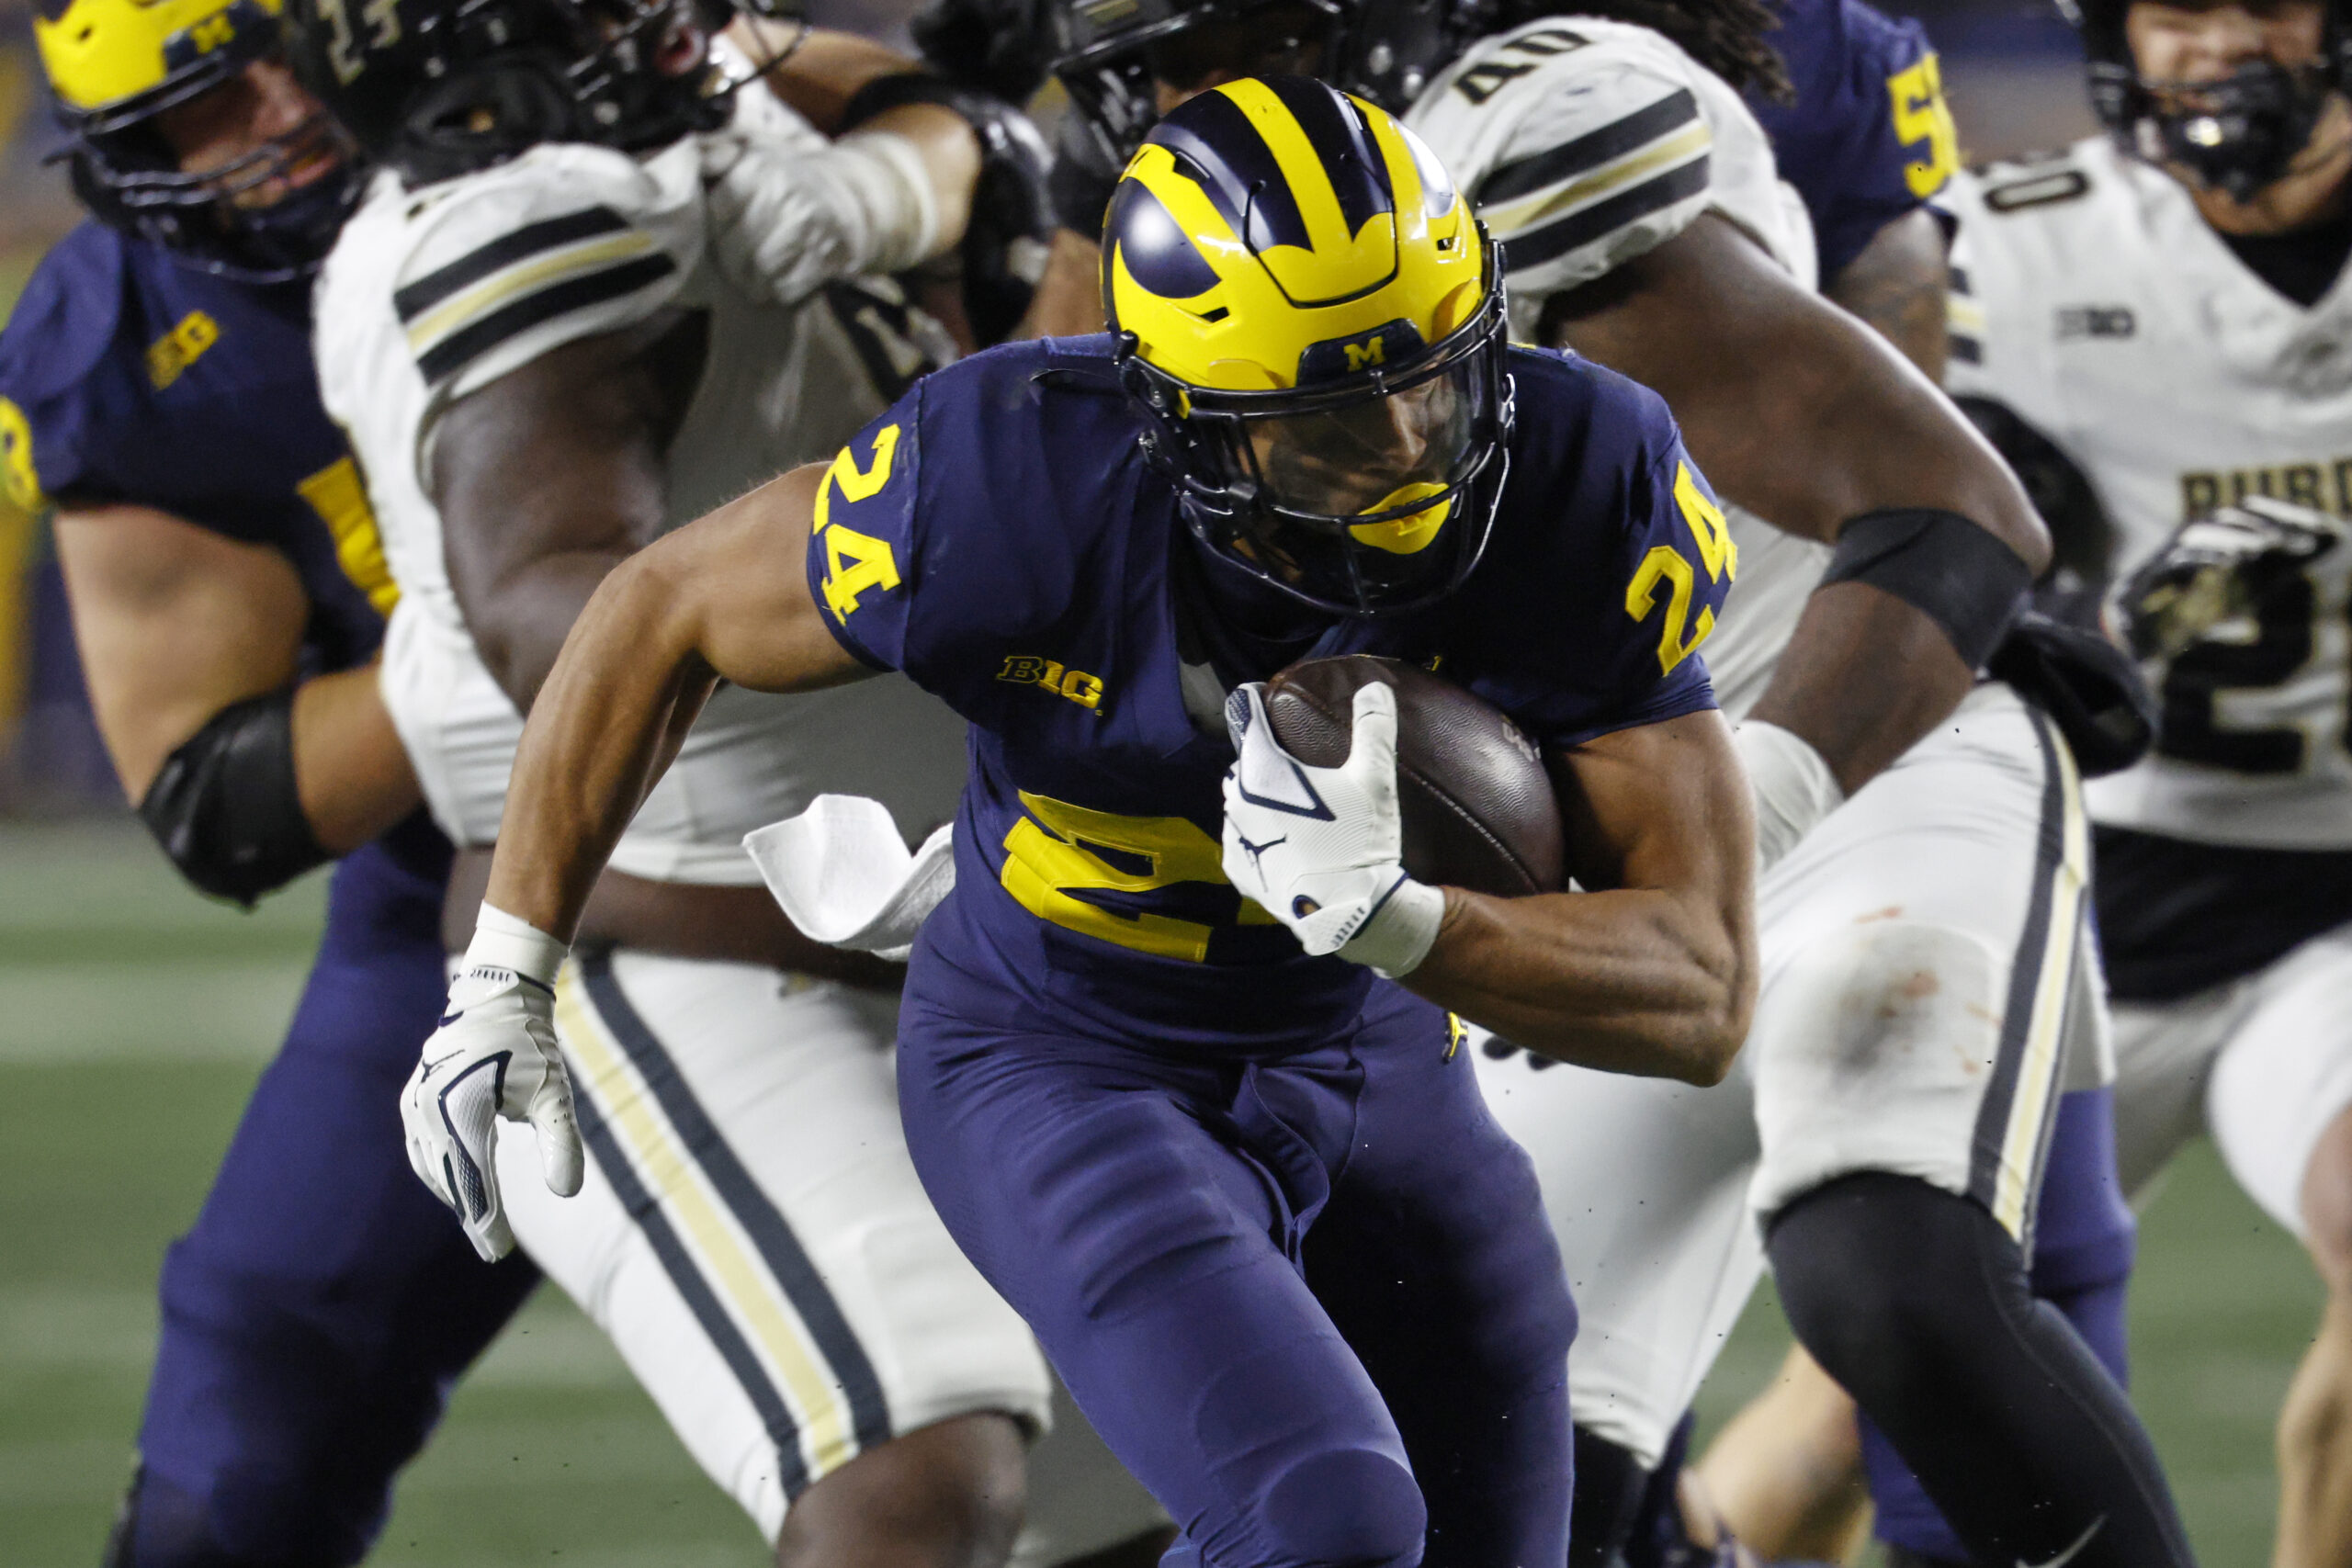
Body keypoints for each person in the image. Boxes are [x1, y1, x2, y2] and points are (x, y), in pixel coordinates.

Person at [404, 76, 1764, 1568]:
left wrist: (1411, 924)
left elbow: (1696, 990)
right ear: (1183, 420)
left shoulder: (1584, 476)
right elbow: (658, 606)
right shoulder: (1011, 483)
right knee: (1322, 1521)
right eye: (1327, 425)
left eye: (1431, 381)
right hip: (1064, 1049)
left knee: (1505, 1520)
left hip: (1372, 1038)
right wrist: (507, 966)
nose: (1405, 459)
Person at [1035, 4, 2195, 1566]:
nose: (1152, 87)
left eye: (1197, 34)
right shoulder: (1189, 223)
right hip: (1563, 868)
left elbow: (1949, 505)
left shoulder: (1536, 123)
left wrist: (1760, 809)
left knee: (1890, 1270)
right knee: (1499, 1478)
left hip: (1849, 776)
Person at [288, 0, 1170, 1561]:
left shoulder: (693, 110)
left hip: (958, 940)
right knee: (909, 1473)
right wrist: (925, 554)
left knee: (1175, 1496)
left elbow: (935, 107)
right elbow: (558, 617)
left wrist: (901, 181)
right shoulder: (526, 218)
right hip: (672, 955)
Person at [0, 1, 548, 1561]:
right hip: (474, 865)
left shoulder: (577, 98)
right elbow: (217, 796)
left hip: (858, 817)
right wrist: (541, 642)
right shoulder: (136, 329)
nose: (283, 114)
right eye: (209, 104)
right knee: (246, 1429)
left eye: (293, 48)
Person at [1925, 0, 2352, 1561]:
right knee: (1901, 1378)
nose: (2214, 45)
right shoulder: (2015, 251)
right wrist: (2062, 625)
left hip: (2332, 899)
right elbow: (1890, 544)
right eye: (2173, 5)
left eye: (2261, 0)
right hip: (2091, 885)